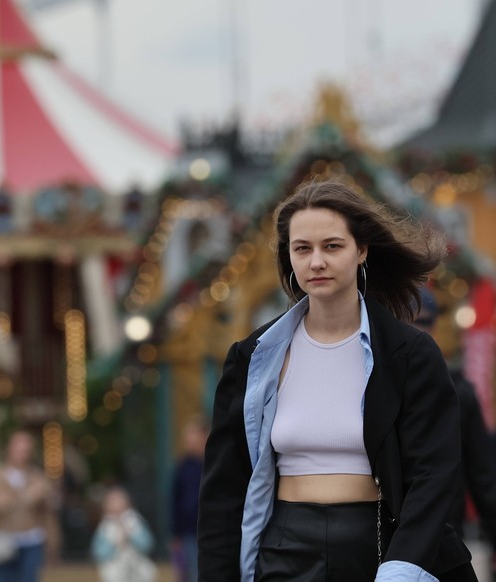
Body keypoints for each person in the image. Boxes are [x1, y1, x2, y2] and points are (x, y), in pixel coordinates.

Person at [198, 179, 476, 581]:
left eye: (332, 246)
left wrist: (401, 569)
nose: (316, 262)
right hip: (283, 549)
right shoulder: (253, 357)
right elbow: (223, 490)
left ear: (361, 250)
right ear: (288, 256)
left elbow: (433, 478)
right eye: (302, 249)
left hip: (382, 546)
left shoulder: (411, 355)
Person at [412, 288, 496, 581]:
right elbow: (481, 473)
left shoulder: (378, 380)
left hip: (387, 531)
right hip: (442, 530)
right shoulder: (459, 389)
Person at [0, 430, 60, 582]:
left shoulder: (38, 479)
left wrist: (53, 545)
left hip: (31, 542)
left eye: (26, 450)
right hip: (2, 541)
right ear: (9, 449)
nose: (22, 454)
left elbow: (48, 516)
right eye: (19, 449)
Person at [169, 417, 207, 582]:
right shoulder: (183, 467)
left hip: (208, 529)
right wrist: (175, 534)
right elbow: (174, 501)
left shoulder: (212, 464)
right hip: (188, 532)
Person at [91, 486, 156, 582]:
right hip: (114, 574)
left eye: (119, 500)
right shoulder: (104, 527)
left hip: (138, 573)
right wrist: (114, 544)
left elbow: (147, 545)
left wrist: (132, 535)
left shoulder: (135, 521)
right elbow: (98, 553)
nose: (116, 504)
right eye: (112, 501)